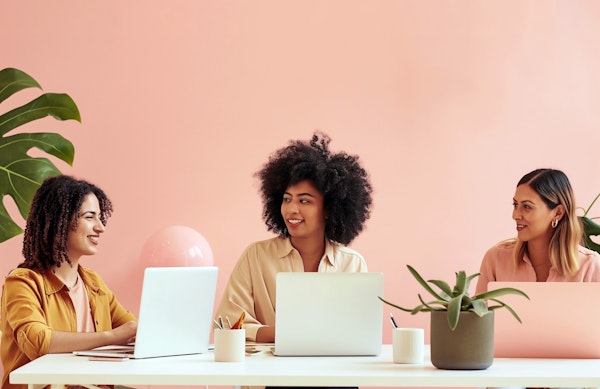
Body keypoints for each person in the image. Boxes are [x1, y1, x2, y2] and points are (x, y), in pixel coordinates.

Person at [215, 131, 373, 344]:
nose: (291, 209)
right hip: (270, 375)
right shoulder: (256, 256)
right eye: (287, 199)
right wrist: (288, 335)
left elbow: (359, 332)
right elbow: (227, 322)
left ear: (329, 209)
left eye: (304, 201)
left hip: (331, 374)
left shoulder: (351, 264)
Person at [1, 175, 137, 389]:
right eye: (90, 217)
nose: (100, 227)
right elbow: (38, 342)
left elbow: (131, 329)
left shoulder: (92, 282)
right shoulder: (22, 282)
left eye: (100, 218)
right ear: (60, 220)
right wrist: (110, 336)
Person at [475, 168, 600, 295]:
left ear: (558, 213)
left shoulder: (589, 266)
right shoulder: (496, 259)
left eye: (527, 207)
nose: (515, 215)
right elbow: (478, 314)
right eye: (515, 205)